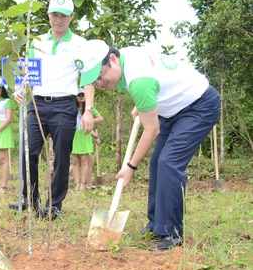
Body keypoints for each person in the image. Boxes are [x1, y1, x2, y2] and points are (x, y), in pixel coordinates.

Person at [77, 39, 220, 251]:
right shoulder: (125, 60)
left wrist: (130, 167)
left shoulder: (139, 81)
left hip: (199, 106)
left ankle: (172, 233)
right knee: (156, 162)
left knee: (169, 163)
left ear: (113, 59)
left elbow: (152, 130)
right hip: (172, 108)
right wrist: (142, 103)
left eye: (100, 76)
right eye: (94, 80)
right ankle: (157, 225)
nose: (100, 83)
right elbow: (157, 77)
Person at [8, 0, 95, 220]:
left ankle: (54, 205)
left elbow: (87, 79)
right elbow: (28, 71)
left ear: (72, 17)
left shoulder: (80, 44)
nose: (58, 20)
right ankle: (30, 199)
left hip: (65, 106)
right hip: (37, 103)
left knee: (62, 156)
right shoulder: (36, 41)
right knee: (29, 152)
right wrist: (19, 89)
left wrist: (88, 110)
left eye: (64, 15)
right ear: (48, 16)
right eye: (55, 14)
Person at [70, 88, 103, 191]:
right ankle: (77, 183)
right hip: (74, 134)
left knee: (85, 160)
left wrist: (88, 120)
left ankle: (84, 184)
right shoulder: (71, 107)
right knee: (75, 160)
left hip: (85, 134)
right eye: (79, 95)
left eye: (83, 95)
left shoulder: (89, 109)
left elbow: (100, 118)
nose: (81, 97)